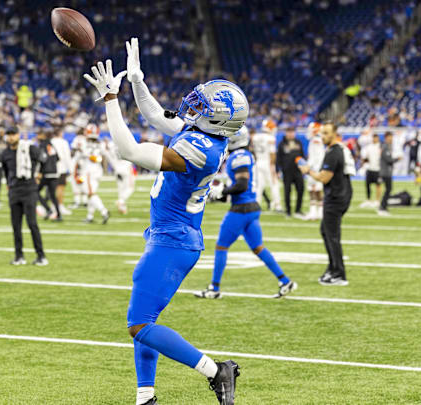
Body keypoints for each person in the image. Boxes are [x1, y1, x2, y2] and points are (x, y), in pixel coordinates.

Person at [85, 38, 244, 405]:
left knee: (139, 325)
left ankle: (216, 371)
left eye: (203, 105)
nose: (194, 105)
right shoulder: (204, 133)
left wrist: (111, 100)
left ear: (217, 118)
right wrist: (137, 82)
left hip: (174, 240)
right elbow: (156, 116)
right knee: (145, 320)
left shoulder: (201, 149)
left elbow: (128, 151)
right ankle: (145, 397)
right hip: (170, 235)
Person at [195, 127, 297, 299]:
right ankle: (285, 281)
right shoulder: (245, 155)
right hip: (251, 208)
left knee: (221, 246)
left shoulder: (239, 156)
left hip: (241, 209)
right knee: (258, 248)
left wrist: (222, 192)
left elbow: (241, 185)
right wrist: (221, 194)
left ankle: (214, 288)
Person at [299, 123, 354, 285]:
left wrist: (307, 171)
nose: (323, 136)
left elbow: (324, 177)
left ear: (335, 133)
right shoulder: (337, 149)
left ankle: (339, 273)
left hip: (336, 197)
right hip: (339, 194)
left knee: (332, 235)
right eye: (322, 133)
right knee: (326, 231)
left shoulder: (333, 152)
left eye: (327, 133)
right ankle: (332, 268)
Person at [0, 127, 48, 265]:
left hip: (29, 188)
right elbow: (6, 170)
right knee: (16, 226)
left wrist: (39, 174)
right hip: (14, 190)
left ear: (18, 135)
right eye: (8, 135)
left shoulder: (29, 148)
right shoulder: (5, 153)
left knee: (32, 224)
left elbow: (44, 159)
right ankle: (19, 256)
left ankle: (41, 255)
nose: (10, 138)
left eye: (13, 134)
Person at [73, 126, 110, 223]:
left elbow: (77, 156)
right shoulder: (100, 143)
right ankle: (90, 216)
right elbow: (105, 155)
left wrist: (75, 172)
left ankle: (104, 211)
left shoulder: (83, 143)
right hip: (98, 171)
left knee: (90, 193)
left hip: (89, 171)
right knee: (91, 193)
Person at [251, 120, 282, 211]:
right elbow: (272, 154)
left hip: (258, 162)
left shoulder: (255, 137)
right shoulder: (270, 138)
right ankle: (277, 205)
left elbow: (253, 150)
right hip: (267, 162)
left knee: (259, 185)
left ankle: (256, 204)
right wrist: (273, 166)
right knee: (274, 184)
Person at [276, 127, 305, 217]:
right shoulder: (282, 144)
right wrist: (278, 170)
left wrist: (304, 167)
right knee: (287, 191)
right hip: (287, 171)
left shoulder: (298, 143)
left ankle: (298, 210)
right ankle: (288, 211)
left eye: (292, 132)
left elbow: (302, 155)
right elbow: (278, 158)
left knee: (301, 189)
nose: (291, 134)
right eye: (289, 132)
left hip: (297, 171)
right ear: (286, 133)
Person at [36, 131, 62, 221]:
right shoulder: (51, 145)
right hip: (54, 173)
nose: (37, 137)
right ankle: (59, 214)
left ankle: (48, 209)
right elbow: (58, 158)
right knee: (52, 195)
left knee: (35, 191)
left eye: (38, 135)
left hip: (46, 173)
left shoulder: (42, 145)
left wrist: (39, 172)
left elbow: (42, 159)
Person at [50, 129, 73, 216]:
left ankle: (53, 206)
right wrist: (70, 169)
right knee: (60, 188)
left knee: (52, 189)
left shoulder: (50, 141)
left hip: (51, 168)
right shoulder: (63, 142)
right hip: (61, 168)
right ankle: (60, 206)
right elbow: (67, 156)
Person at [305, 122, 324, 220]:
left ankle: (318, 212)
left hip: (315, 169)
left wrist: (308, 166)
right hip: (316, 168)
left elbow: (317, 157)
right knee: (315, 190)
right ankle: (316, 212)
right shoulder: (316, 139)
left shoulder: (316, 140)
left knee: (314, 190)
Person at [377, 131, 399, 216]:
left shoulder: (387, 146)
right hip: (385, 172)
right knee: (388, 189)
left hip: (387, 171)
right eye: (390, 137)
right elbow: (388, 159)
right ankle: (382, 206)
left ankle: (384, 206)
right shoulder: (385, 146)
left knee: (388, 189)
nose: (391, 139)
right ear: (386, 137)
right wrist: (397, 159)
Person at [360, 132, 382, 208]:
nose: (375, 139)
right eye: (374, 137)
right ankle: (368, 200)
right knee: (367, 185)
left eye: (376, 137)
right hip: (370, 168)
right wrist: (364, 161)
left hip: (378, 168)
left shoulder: (380, 146)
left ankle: (377, 200)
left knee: (378, 185)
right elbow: (365, 157)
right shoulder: (369, 147)